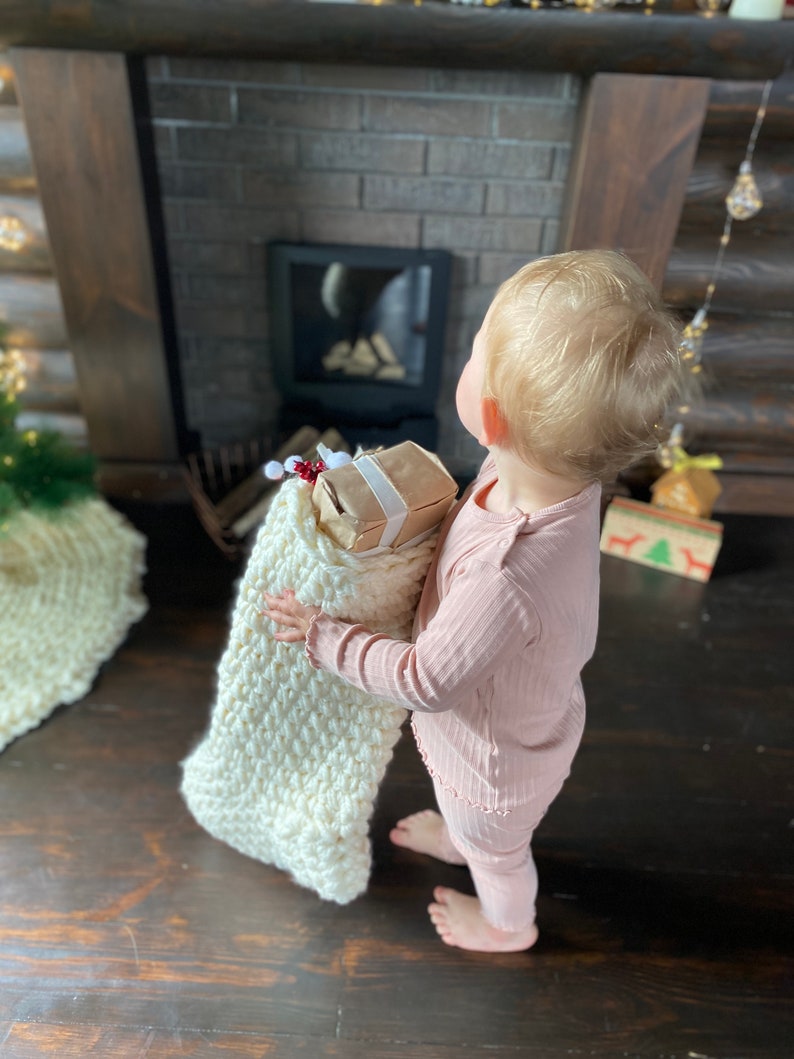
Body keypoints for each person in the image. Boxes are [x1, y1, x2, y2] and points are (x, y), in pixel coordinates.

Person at [262, 249, 686, 953]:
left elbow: (423, 679)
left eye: (474, 351)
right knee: (478, 831)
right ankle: (462, 839)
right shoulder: (558, 474)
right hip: (524, 721)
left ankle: (507, 923)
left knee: (501, 854)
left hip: (494, 766)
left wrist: (321, 632)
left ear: (487, 416)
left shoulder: (506, 575)